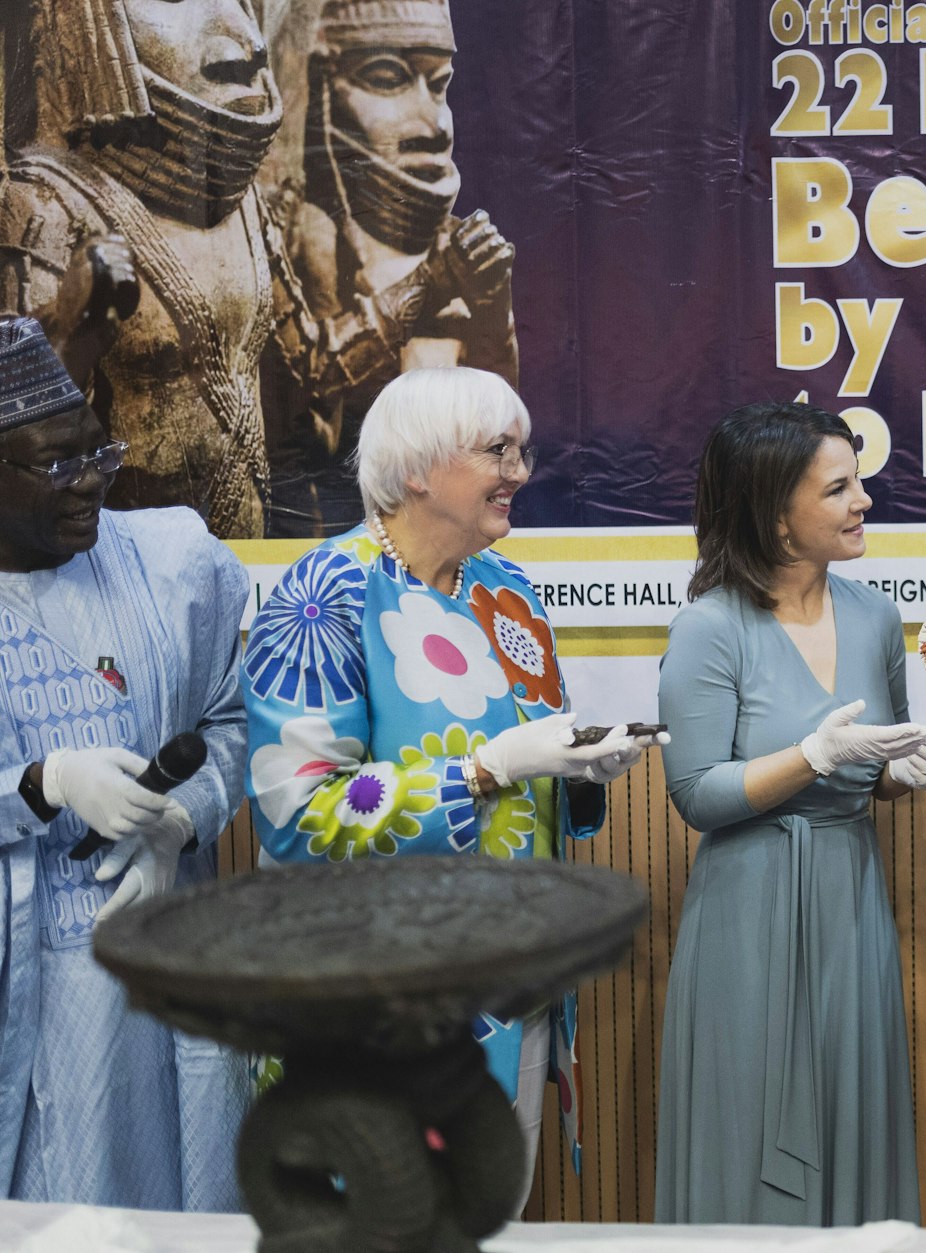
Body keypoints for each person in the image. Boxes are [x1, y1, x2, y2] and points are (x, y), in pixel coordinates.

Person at [240, 365, 659, 1192]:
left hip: (514, 990)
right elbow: (299, 814)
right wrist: (481, 772)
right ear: (418, 467)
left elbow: (542, 762)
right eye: (497, 450)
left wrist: (583, 771)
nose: (520, 472)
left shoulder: (507, 589)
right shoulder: (326, 590)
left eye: (523, 450)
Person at [0, 0, 490, 538]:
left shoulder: (246, 206)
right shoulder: (46, 205)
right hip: (124, 571)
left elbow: (314, 366)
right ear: (88, 23)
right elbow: (21, 449)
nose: (246, 45)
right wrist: (77, 333)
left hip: (243, 558)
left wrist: (430, 279)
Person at [655, 401, 926, 1225]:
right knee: (744, 1133)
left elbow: (870, 770)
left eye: (860, 481)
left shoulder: (875, 617)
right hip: (746, 913)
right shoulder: (710, 628)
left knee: (852, 1113)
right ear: (779, 521)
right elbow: (696, 794)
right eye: (840, 488)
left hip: (851, 903)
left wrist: (900, 774)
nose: (865, 502)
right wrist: (810, 756)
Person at [0, 315, 249, 1208]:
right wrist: (43, 784)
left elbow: (232, 717)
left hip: (174, 978)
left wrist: (181, 821)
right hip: (38, 1004)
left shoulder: (171, 562)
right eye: (55, 463)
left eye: (97, 450)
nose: (91, 484)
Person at [268, 0, 518, 538]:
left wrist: (491, 308)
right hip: (330, 538)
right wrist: (430, 283)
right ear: (319, 89)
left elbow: (499, 422)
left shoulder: (454, 242)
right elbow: (306, 413)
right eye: (387, 79)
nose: (432, 125)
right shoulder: (287, 237)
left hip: (445, 536)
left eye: (440, 85)